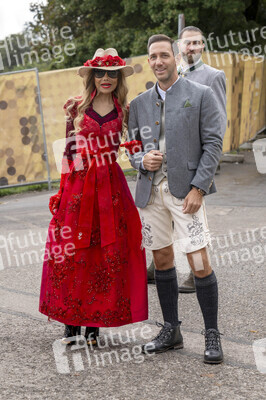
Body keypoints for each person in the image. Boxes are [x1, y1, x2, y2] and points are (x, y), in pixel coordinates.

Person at [39, 48, 148, 345]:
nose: (106, 79)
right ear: (91, 77)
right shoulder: (75, 107)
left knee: (105, 254)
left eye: (112, 74)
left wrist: (144, 153)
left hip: (111, 189)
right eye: (100, 73)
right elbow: (68, 152)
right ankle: (71, 324)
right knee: (75, 254)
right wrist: (62, 192)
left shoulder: (125, 109)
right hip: (78, 186)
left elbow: (134, 145)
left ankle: (94, 327)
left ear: (118, 79)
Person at [127, 34, 223, 363]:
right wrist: (142, 160)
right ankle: (171, 329)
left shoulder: (201, 94)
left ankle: (212, 334)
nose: (158, 62)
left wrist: (199, 188)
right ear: (149, 60)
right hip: (151, 192)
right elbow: (133, 151)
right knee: (163, 261)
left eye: (164, 55)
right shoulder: (138, 104)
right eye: (153, 57)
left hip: (187, 193)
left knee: (198, 262)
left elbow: (213, 144)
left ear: (175, 58)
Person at [147, 26, 227, 293]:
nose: (191, 47)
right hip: (168, 165)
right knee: (167, 210)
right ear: (178, 48)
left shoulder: (212, 77)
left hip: (196, 160)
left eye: (196, 43)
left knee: (194, 218)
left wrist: (206, 170)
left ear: (203, 46)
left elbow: (217, 126)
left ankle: (197, 271)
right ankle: (160, 260)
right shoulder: (172, 73)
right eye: (186, 43)